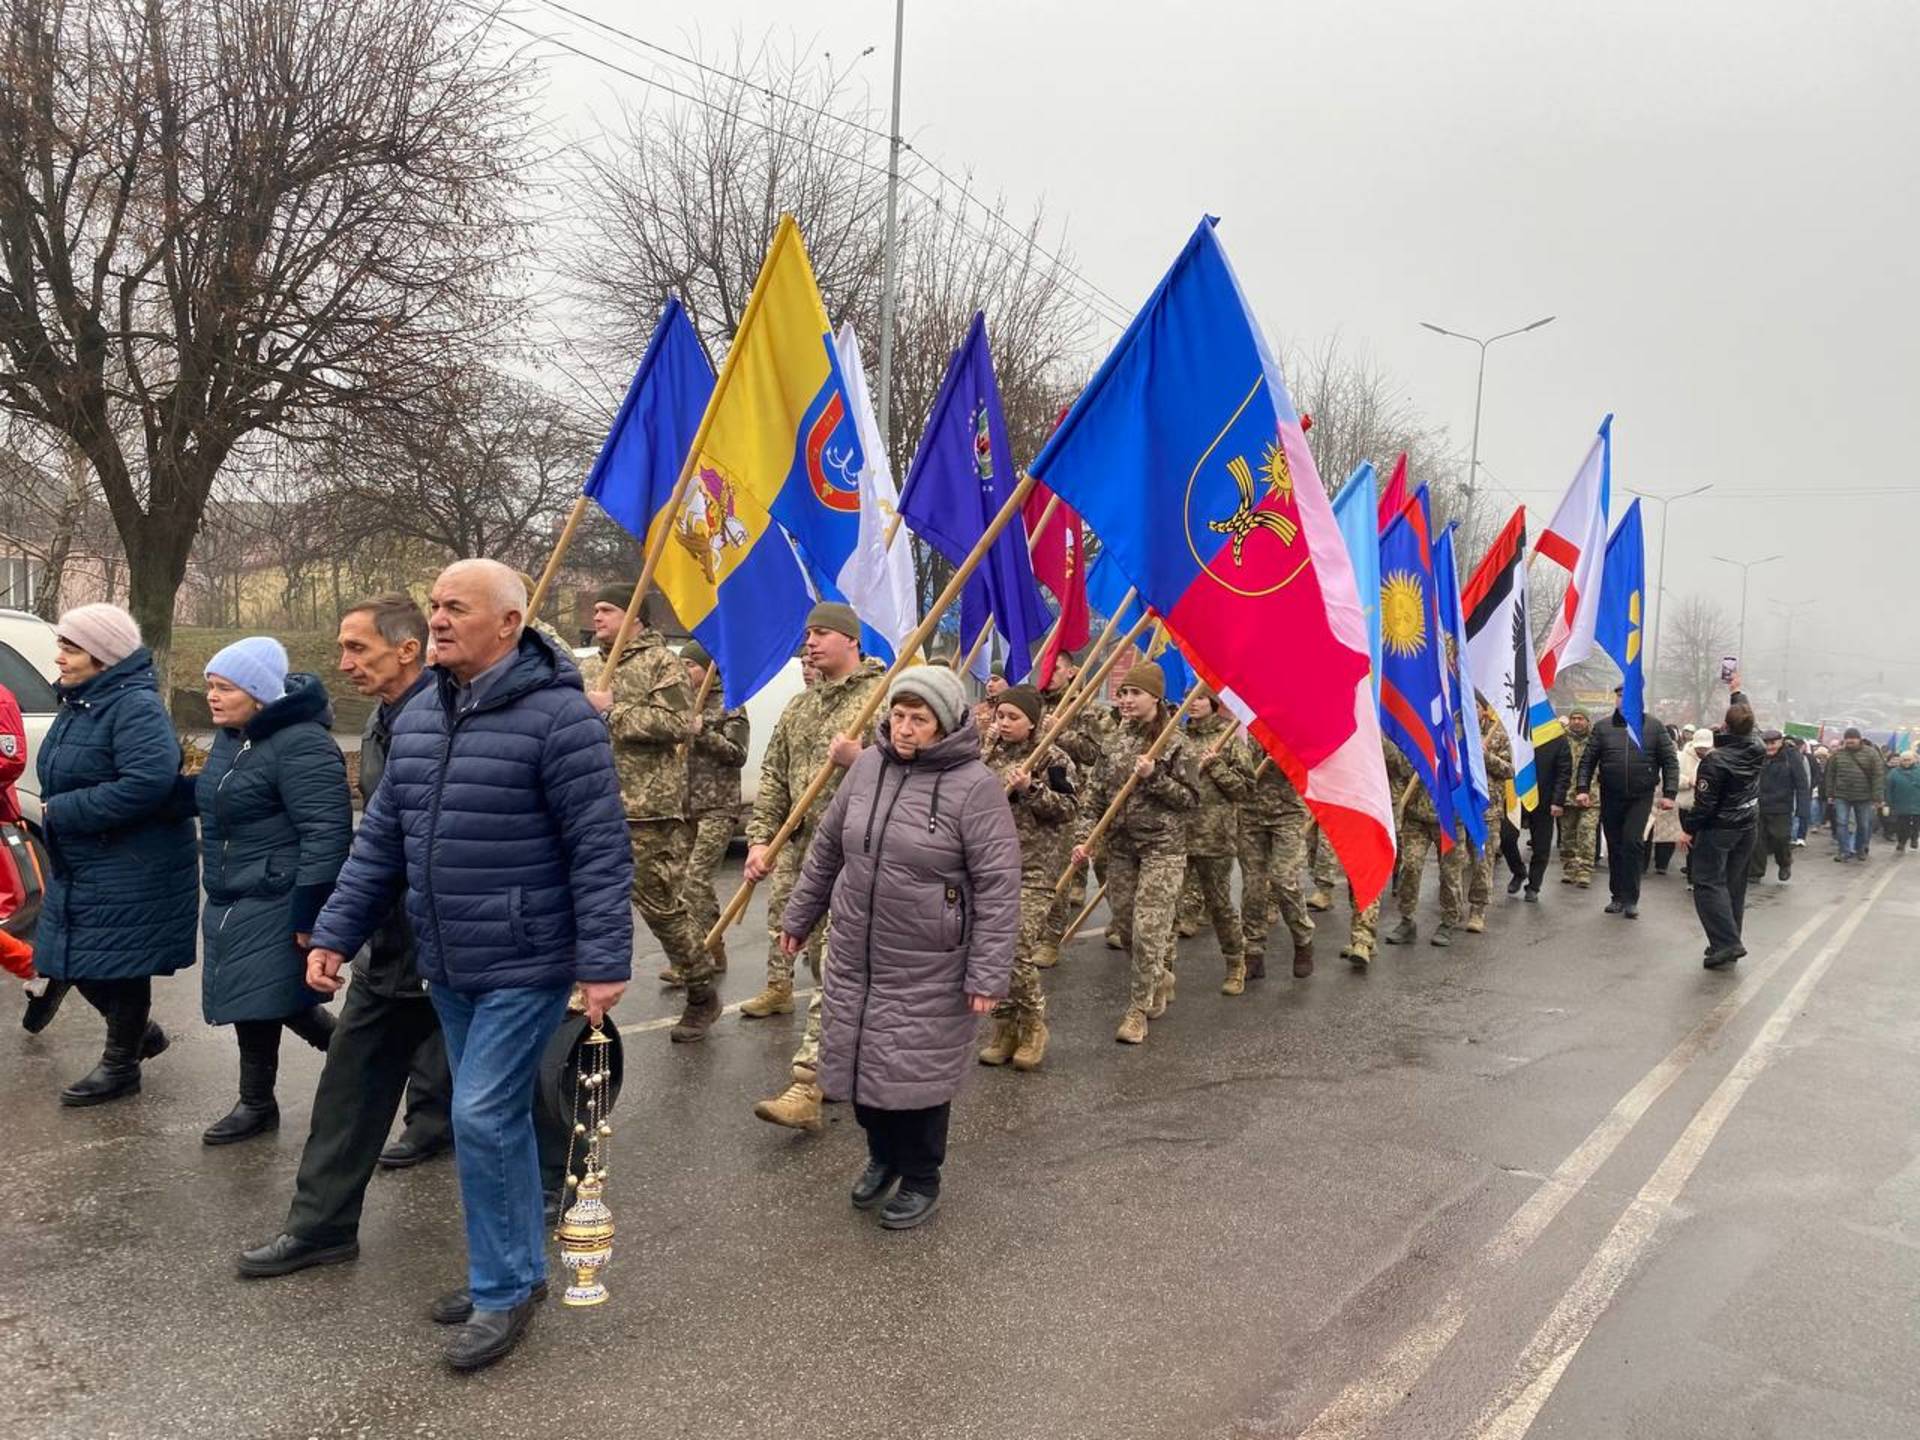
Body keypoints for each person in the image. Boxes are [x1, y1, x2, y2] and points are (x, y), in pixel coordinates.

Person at [305, 560, 633, 1373]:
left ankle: (499, 1291)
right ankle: (517, 1273)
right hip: (446, 957)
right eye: (436, 606)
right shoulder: (421, 717)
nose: (440, 620)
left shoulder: (561, 721)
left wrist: (603, 960)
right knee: (501, 1121)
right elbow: (381, 839)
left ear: (510, 624)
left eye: (458, 608)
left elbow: (598, 848)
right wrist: (334, 932)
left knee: (481, 1115)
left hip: (526, 956)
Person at [237, 594, 455, 1279]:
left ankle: (545, 1213)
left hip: (457, 944)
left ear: (407, 649)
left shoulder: (451, 715)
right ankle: (323, 1227)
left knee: (504, 1091)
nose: (344, 663)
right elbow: (380, 842)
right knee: (351, 1083)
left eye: (357, 648)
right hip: (396, 944)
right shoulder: (385, 717)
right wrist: (337, 931)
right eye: (342, 649)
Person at [780, 665, 1018, 1228]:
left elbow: (999, 886)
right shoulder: (867, 768)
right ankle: (882, 1157)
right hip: (858, 952)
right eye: (899, 715)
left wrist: (987, 973)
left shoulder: (975, 787)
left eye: (920, 719)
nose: (905, 728)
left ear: (946, 723)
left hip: (930, 961)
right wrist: (800, 913)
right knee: (862, 1068)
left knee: (917, 1078)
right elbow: (827, 850)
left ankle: (921, 1174)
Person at [35, 604, 197, 1106]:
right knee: (77, 961)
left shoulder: (133, 706)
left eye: (70, 646)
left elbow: (148, 782)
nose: (59, 655)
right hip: (89, 860)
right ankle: (137, 1036)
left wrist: (64, 809)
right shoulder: (84, 701)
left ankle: (120, 1065)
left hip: (131, 861)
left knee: (120, 966)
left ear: (102, 656)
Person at [192, 638, 352, 1144]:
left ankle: (265, 1100)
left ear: (259, 694)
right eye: (209, 687)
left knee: (271, 999)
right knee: (266, 999)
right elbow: (217, 801)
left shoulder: (300, 742)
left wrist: (313, 916)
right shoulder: (233, 736)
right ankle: (261, 1102)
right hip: (235, 893)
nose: (212, 698)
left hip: (278, 893)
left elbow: (327, 833)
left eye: (224, 688)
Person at [745, 602, 888, 1130]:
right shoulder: (799, 708)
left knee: (837, 966)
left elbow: (917, 775)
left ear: (851, 640)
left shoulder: (882, 699)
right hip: (803, 855)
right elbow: (774, 777)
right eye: (807, 634)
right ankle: (852, 1050)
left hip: (861, 855)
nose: (810, 642)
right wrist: (761, 841)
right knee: (811, 958)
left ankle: (808, 1081)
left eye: (822, 633)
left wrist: (865, 759)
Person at [579, 584, 712, 1040]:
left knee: (660, 908)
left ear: (636, 617)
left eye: (607, 610)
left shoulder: (663, 662)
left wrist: (613, 711)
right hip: (589, 803)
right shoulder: (590, 666)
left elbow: (678, 724)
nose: (597, 617)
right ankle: (581, 1000)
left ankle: (700, 988)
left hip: (646, 808)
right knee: (581, 905)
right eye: (595, 610)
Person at [1072, 662, 1198, 1043]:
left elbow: (1191, 800)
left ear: (1155, 698)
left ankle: (1137, 1010)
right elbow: (1094, 794)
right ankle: (1158, 976)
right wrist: (1084, 837)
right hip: (1122, 848)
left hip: (1163, 848)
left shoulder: (1176, 743)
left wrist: (1154, 777)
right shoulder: (1115, 740)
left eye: (1134, 693)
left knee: (1148, 930)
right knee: (1125, 927)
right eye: (1123, 693)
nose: (1125, 700)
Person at [976, 684, 1077, 1069]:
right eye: (1000, 716)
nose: (1003, 723)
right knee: (988, 948)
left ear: (1032, 722)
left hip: (1033, 867)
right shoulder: (987, 755)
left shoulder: (1052, 758)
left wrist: (1030, 788)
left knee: (1015, 946)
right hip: (990, 866)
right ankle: (1004, 1026)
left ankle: (1034, 1022)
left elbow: (1069, 808)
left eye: (1012, 717)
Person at [1573, 684, 1679, 919]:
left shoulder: (1654, 727)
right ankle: (1617, 896)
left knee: (1632, 843)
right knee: (1615, 845)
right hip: (1611, 794)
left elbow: (1670, 761)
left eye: (1628, 696)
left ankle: (1631, 898)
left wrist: (1669, 794)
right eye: (1620, 696)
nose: (1623, 700)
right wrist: (1582, 788)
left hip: (1640, 796)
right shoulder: (1603, 728)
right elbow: (1588, 761)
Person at [1681, 692, 1764, 969]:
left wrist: (1688, 829)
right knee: (1733, 884)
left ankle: (1726, 943)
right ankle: (1729, 937)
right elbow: (1751, 724)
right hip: (1747, 825)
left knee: (1707, 883)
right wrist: (1737, 693)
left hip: (1720, 829)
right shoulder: (1758, 748)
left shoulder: (1715, 761)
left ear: (1725, 726)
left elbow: (1704, 806)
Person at [679, 640, 749, 969]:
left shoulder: (729, 704)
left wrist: (702, 731)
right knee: (682, 887)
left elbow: (737, 753)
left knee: (696, 880)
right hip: (683, 805)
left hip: (717, 805)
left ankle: (707, 950)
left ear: (708, 668)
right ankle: (701, 950)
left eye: (690, 665)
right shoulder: (679, 702)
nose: (684, 671)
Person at [1180, 688, 1254, 990]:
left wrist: (1216, 767)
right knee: (1170, 907)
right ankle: (1162, 975)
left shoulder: (1229, 737)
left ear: (1212, 703)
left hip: (1215, 838)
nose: (1193, 703)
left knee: (1220, 906)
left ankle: (1236, 963)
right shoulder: (1177, 737)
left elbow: (1245, 790)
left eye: (1199, 698)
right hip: (1179, 835)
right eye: (1189, 697)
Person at [1239, 735, 1319, 977]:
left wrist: (1287, 757)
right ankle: (1253, 950)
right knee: (1253, 886)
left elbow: (1312, 767)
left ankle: (1303, 940)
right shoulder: (1244, 726)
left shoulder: (1292, 729)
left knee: (1283, 880)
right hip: (1250, 815)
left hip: (1287, 815)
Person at [1382, 740, 1468, 948]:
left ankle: (1449, 920)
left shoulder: (1456, 733)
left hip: (1449, 819)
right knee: (1410, 867)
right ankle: (1406, 919)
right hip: (1416, 818)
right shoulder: (1413, 732)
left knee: (1449, 873)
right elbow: (1400, 768)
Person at [1465, 696, 1516, 933]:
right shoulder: (1455, 733)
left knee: (1482, 862)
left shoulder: (1498, 736)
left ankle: (1478, 910)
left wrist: (1484, 756)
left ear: (1484, 712)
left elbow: (1509, 770)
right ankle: (1451, 908)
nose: (1472, 710)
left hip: (1487, 810)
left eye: (1476, 706)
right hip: (1459, 808)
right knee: (1453, 863)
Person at [1749, 730, 1809, 883]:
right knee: (1757, 840)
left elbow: (1801, 784)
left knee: (1780, 838)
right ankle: (1756, 872)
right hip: (1758, 804)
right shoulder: (1756, 756)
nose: (1769, 747)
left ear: (1781, 742)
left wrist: (1803, 809)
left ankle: (1784, 863)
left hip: (1781, 807)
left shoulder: (1791, 757)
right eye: (1766, 743)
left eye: (1773, 743)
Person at [1550, 708, 1600, 888]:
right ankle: (1569, 868)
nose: (1577, 722)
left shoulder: (1596, 740)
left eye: (1581, 718)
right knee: (1567, 835)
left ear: (1587, 721)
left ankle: (1585, 870)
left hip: (1591, 797)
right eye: (1574, 718)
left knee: (1587, 833)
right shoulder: (1561, 740)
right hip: (1567, 795)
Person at [1824, 727, 1887, 862]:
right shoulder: (1838, 755)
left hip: (1864, 796)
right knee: (1841, 823)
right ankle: (1844, 851)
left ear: (1859, 739)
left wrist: (1877, 798)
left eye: (1853, 738)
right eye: (1847, 738)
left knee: (1863, 824)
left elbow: (1878, 776)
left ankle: (1860, 849)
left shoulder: (1871, 754)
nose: (1850, 741)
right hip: (1842, 795)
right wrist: (1830, 793)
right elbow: (1830, 775)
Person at [1650, 727, 1698, 877]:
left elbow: (1673, 773)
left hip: (1671, 797)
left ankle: (1662, 864)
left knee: (1667, 833)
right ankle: (1642, 864)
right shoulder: (1652, 751)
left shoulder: (1677, 754)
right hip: (1653, 795)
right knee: (1646, 832)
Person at [1888, 753, 1920, 854]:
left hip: (1917, 802)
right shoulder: (1894, 772)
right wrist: (1889, 801)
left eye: (1908, 760)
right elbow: (1889, 788)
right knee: (1901, 825)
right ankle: (1901, 842)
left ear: (1913, 760)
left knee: (1916, 823)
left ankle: (1914, 838)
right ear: (1900, 761)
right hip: (1900, 803)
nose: (1906, 762)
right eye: (1904, 760)